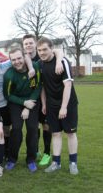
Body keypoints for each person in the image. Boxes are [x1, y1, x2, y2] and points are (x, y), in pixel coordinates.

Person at [37, 37, 79, 175]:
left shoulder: (63, 62)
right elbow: (42, 86)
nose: (42, 52)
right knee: (55, 133)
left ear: (51, 49)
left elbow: (68, 85)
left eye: (45, 49)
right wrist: (44, 104)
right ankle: (56, 162)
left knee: (70, 133)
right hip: (51, 105)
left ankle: (73, 163)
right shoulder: (40, 65)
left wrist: (64, 107)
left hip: (68, 104)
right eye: (40, 50)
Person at [22, 34, 64, 166]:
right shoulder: (24, 58)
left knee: (46, 125)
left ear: (36, 44)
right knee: (34, 127)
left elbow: (57, 50)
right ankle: (36, 150)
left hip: (46, 97)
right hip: (33, 98)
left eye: (30, 43)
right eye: (26, 44)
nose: (28, 45)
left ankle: (47, 153)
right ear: (23, 46)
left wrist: (58, 62)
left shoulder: (42, 55)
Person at [3, 48, 41, 173]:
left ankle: (31, 160)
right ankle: (12, 159)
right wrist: (24, 103)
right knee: (17, 129)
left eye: (19, 58)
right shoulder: (9, 74)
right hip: (16, 103)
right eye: (13, 59)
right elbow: (8, 95)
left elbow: (38, 86)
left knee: (32, 128)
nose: (17, 62)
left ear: (24, 57)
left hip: (32, 101)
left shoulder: (34, 67)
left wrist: (28, 106)